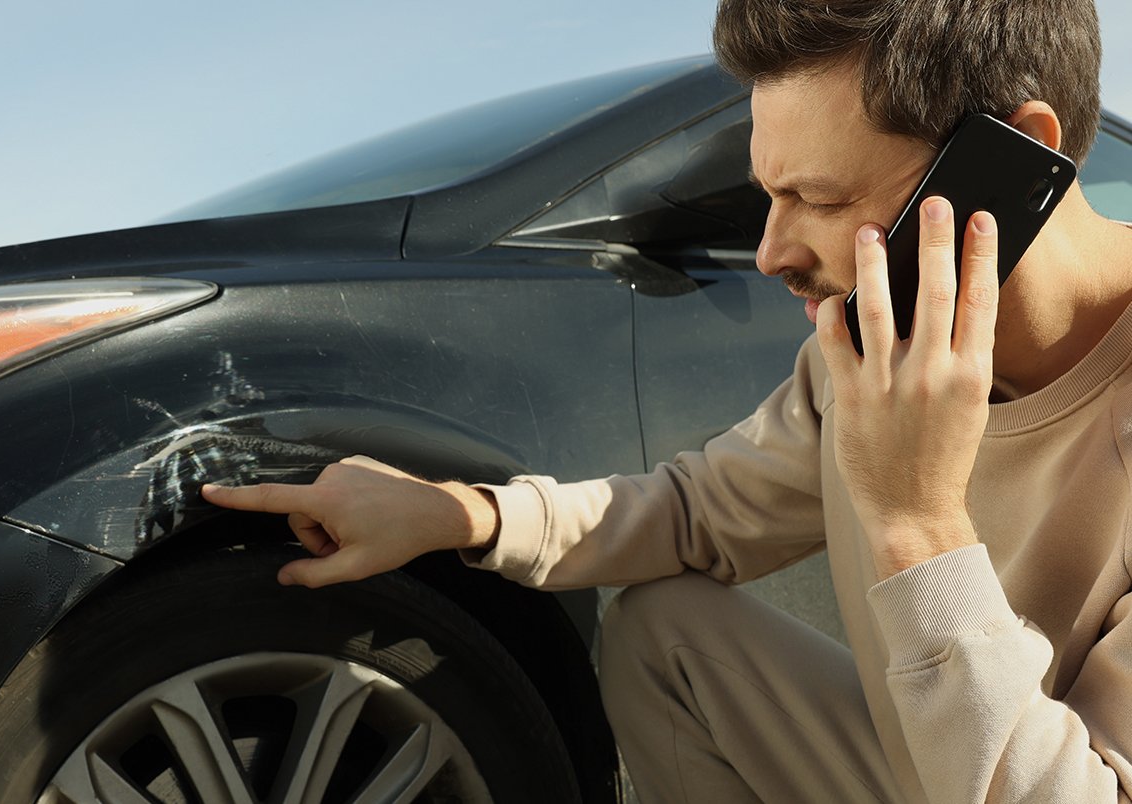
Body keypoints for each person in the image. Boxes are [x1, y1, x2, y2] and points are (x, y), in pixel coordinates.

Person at [203, 0, 1132, 800]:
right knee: (667, 628)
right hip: (935, 772)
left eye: (816, 195)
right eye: (768, 195)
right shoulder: (860, 359)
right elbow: (695, 511)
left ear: (1013, 160)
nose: (772, 253)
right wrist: (459, 515)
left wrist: (917, 522)